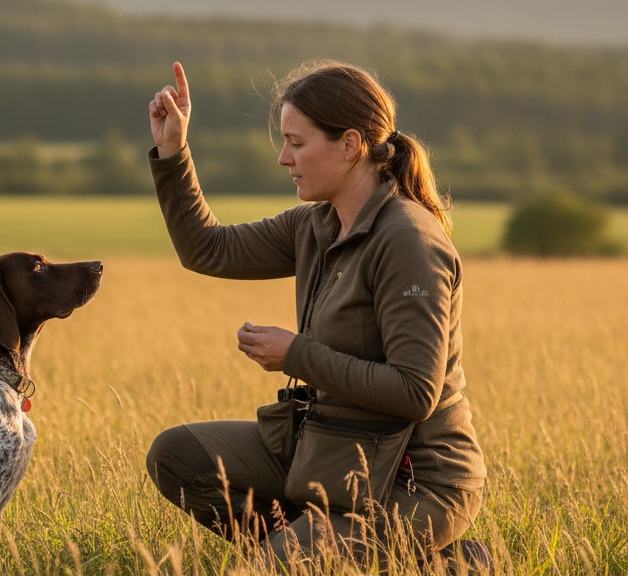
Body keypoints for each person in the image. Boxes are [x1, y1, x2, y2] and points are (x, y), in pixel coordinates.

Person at [144, 61, 489, 567]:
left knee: (275, 566)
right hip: (332, 451)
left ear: (350, 145)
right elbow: (207, 249)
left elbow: (416, 392)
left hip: (416, 480)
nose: (284, 158)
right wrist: (174, 152)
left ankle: (439, 562)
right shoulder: (315, 224)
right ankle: (312, 541)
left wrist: (297, 354)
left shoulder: (409, 241)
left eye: (297, 143)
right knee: (175, 455)